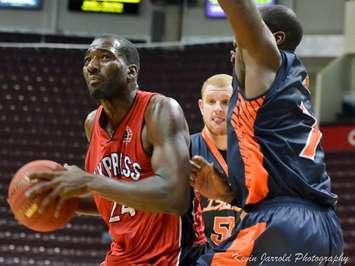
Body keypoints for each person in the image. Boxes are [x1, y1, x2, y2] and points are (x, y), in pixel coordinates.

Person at [190, 2, 344, 265]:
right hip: (321, 227)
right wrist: (229, 194)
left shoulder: (268, 62)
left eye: (240, 40)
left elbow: (240, 10)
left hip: (285, 225)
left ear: (274, 39)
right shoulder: (286, 86)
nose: (234, 49)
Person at [26, 35, 192, 265]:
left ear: (131, 72)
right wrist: (64, 197)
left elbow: (175, 196)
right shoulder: (92, 123)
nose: (92, 66)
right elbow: (115, 197)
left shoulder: (160, 110)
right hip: (122, 255)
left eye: (105, 57)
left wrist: (89, 181)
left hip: (170, 255)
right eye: (87, 60)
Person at [191, 74, 244, 247]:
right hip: (199, 258)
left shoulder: (254, 151)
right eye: (211, 101)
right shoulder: (185, 149)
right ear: (201, 106)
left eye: (226, 102)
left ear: (238, 104)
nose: (218, 108)